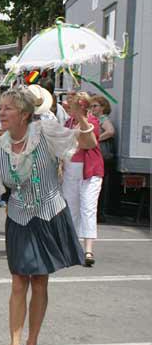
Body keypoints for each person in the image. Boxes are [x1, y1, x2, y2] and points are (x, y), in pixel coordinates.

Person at [0, 87, 97, 345]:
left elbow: (87, 143)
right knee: (18, 281)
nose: (1, 113)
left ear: (24, 114)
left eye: (8, 108)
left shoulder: (45, 132)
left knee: (39, 280)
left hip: (49, 214)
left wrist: (80, 117)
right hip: (18, 217)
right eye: (0, 108)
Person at [62, 91, 103, 267]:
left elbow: (89, 143)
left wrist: (81, 117)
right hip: (71, 170)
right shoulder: (68, 122)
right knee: (70, 208)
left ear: (81, 106)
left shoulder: (91, 121)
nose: (67, 105)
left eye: (70, 104)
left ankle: (88, 250)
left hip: (90, 171)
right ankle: (71, 247)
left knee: (88, 207)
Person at [90, 95, 116, 222]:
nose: (92, 108)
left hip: (103, 157)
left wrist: (95, 139)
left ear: (103, 107)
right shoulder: (96, 119)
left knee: (100, 186)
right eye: (92, 106)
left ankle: (99, 213)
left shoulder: (103, 119)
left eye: (95, 106)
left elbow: (110, 131)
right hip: (100, 157)